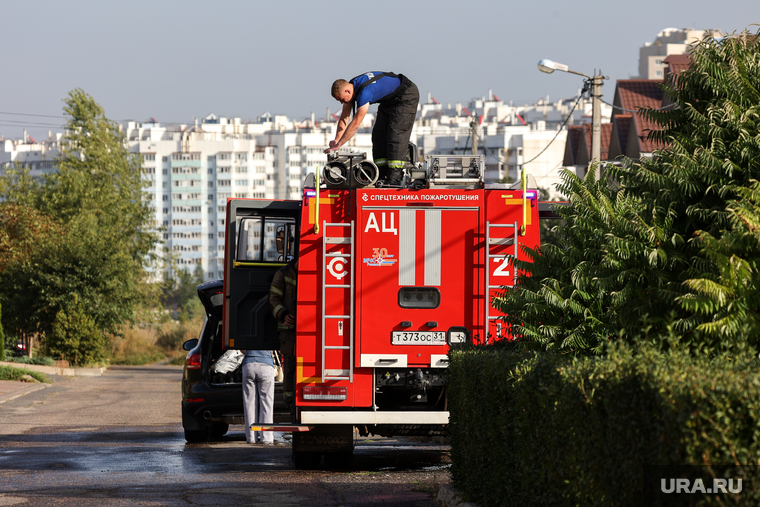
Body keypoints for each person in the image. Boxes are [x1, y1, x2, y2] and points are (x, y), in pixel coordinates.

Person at [325, 72, 419, 185]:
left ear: (347, 91)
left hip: (406, 95)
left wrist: (339, 145)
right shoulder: (351, 86)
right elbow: (344, 117)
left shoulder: (364, 93)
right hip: (389, 101)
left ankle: (394, 177)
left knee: (396, 136)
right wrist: (337, 140)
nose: (341, 102)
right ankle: (382, 174)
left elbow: (355, 124)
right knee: (378, 136)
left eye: (341, 99)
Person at [270, 259, 298, 403]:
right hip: (288, 331)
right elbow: (273, 299)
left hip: (310, 328)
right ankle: (290, 402)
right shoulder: (283, 274)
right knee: (290, 366)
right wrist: (284, 315)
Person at [242, 348, 275, 444]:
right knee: (266, 403)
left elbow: (240, 347)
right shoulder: (269, 332)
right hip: (266, 365)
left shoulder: (247, 332)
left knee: (249, 403)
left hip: (248, 365)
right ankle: (266, 437)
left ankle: (251, 437)